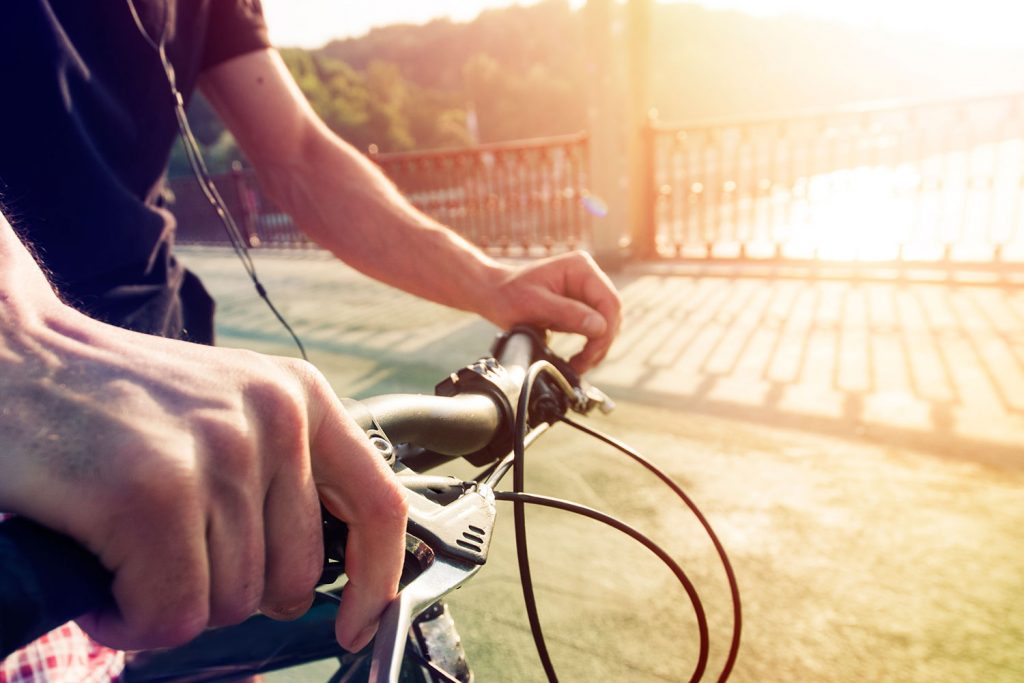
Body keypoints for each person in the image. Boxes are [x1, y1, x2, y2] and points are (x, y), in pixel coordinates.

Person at [0, 1, 622, 680]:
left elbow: (296, 149)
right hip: (25, 427)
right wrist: (22, 343)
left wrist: (492, 283)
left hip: (191, 391)